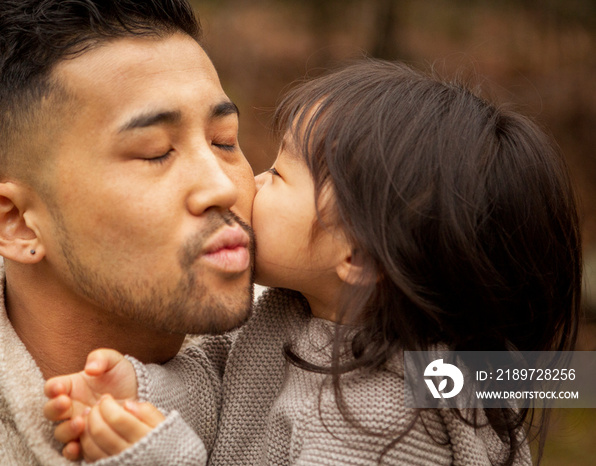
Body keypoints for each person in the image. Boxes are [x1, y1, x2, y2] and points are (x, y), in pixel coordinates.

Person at [45, 59, 582, 465]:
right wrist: (143, 392)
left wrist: (161, 456)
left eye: (279, 176)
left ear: (358, 255)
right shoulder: (289, 307)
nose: (250, 184)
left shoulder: (381, 423)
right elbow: (221, 380)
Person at [0, 0, 257, 464]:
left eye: (224, 141)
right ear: (15, 221)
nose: (222, 186)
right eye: (155, 152)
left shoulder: (311, 306)